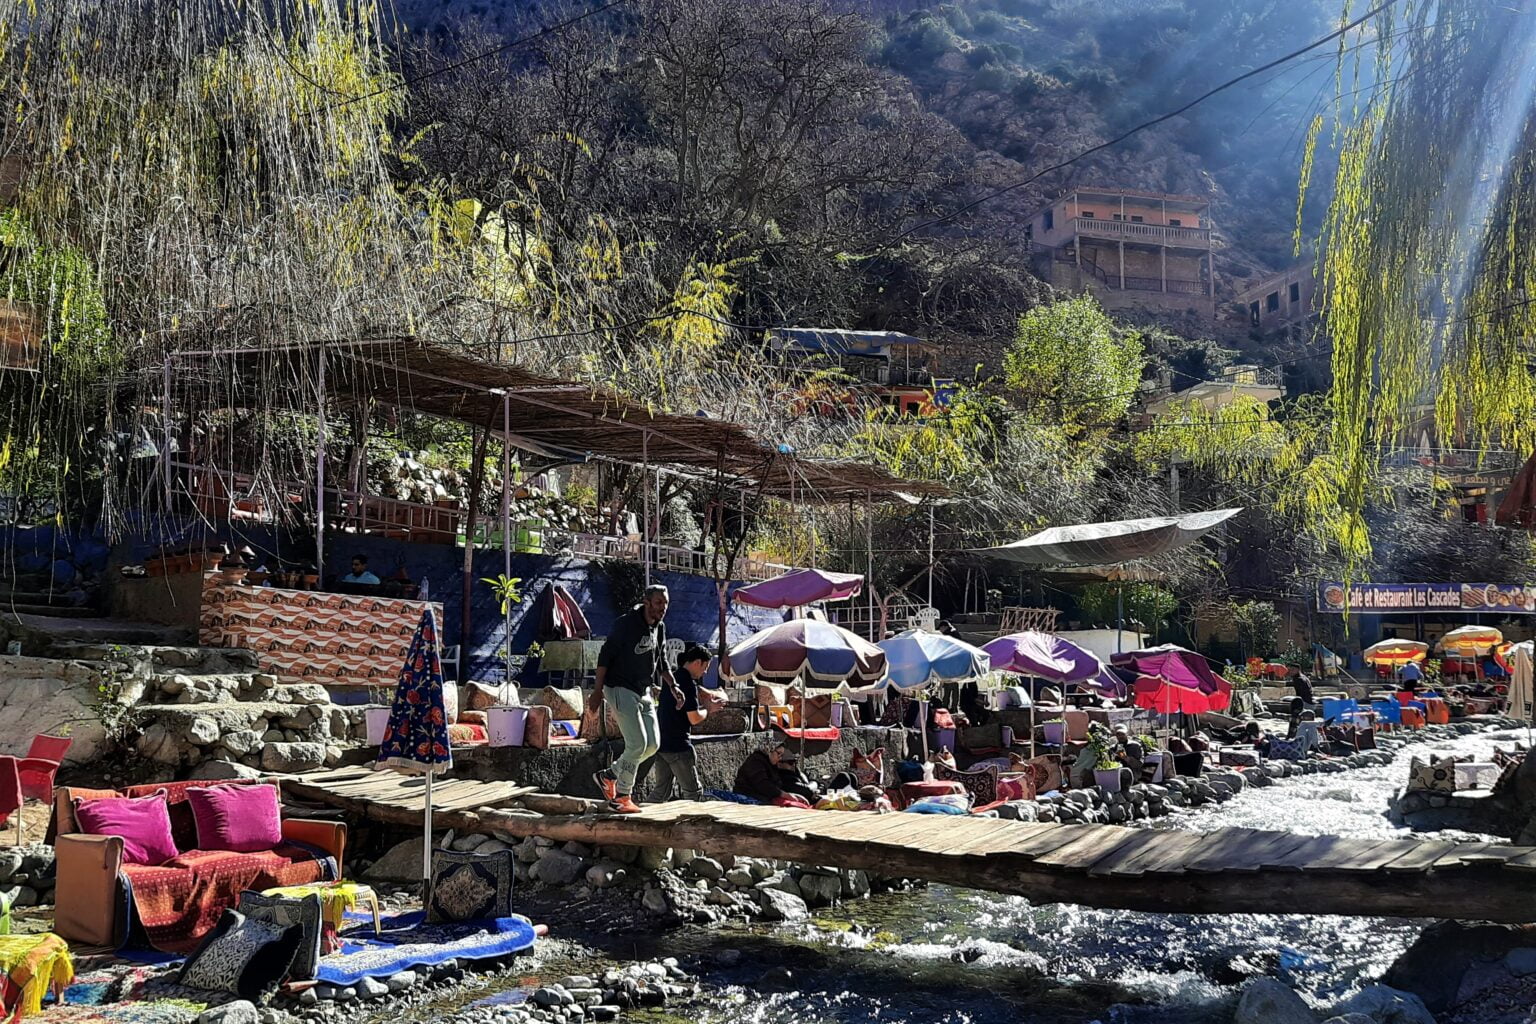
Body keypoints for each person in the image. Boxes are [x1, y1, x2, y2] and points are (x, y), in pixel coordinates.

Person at [591, 585, 672, 814]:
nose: (663, 608)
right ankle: (622, 797)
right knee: (637, 744)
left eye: (665, 604)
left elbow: (662, 660)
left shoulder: (660, 627)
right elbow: (604, 656)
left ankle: (609, 776)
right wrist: (597, 692)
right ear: (646, 602)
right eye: (658, 603)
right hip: (618, 687)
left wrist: (673, 686)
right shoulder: (625, 624)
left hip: (642, 690)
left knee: (652, 744)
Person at [648, 644, 723, 803]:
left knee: (660, 793)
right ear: (697, 662)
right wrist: (708, 709)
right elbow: (694, 718)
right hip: (678, 747)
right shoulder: (687, 683)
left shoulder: (672, 679)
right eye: (706, 666)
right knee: (693, 794)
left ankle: (638, 822)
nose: (706, 672)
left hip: (662, 745)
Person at [734, 741, 817, 804]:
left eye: (781, 755)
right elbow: (763, 785)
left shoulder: (771, 764)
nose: (780, 758)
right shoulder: (756, 761)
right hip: (749, 795)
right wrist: (785, 795)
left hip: (763, 797)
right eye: (778, 754)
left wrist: (793, 795)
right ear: (770, 751)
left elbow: (777, 784)